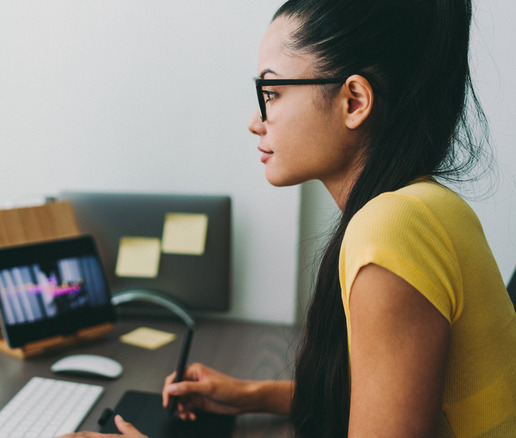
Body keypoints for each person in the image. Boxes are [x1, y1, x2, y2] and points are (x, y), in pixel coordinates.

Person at [60, 0, 516, 437]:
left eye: (272, 93)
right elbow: (383, 398)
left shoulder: (390, 227)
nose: (256, 121)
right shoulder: (428, 204)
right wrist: (250, 394)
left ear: (354, 101)